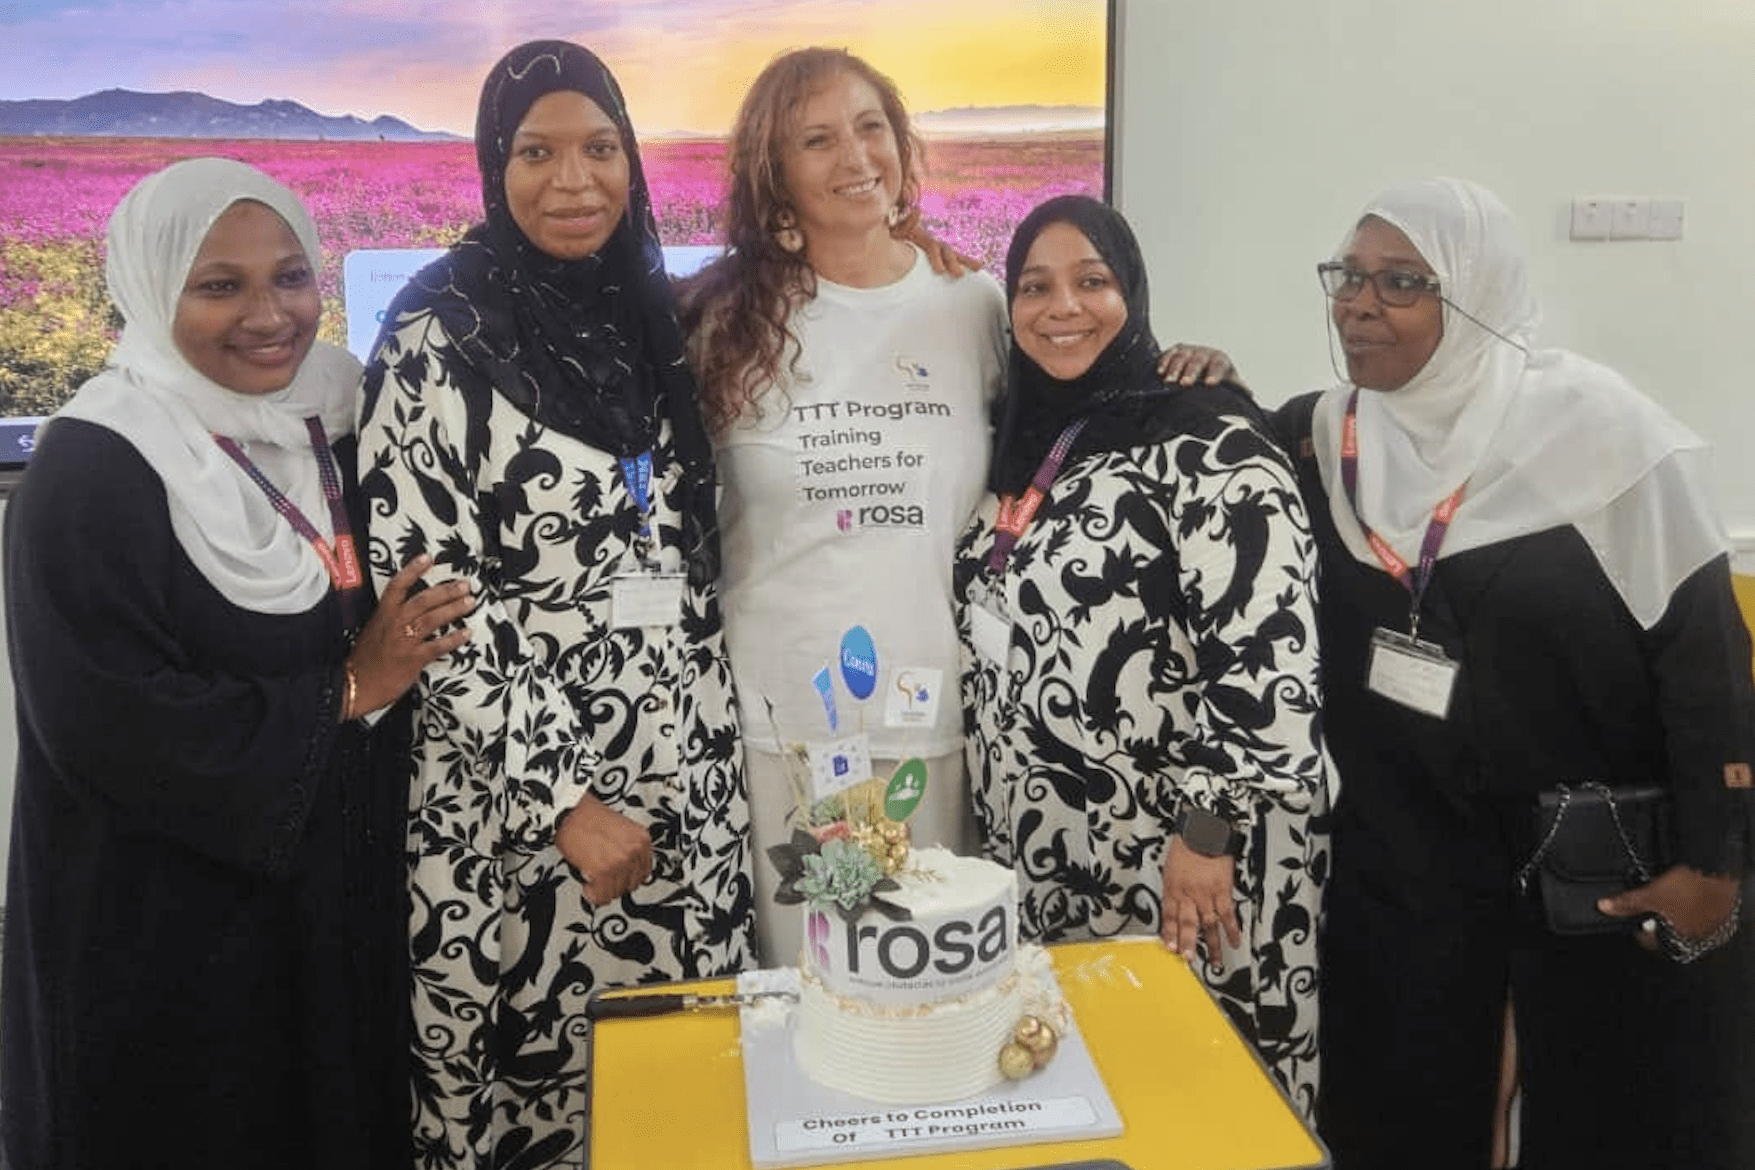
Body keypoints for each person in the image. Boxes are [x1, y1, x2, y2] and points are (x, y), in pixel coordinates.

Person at [679, 47, 1227, 966]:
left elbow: (1077, 413)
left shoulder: (971, 303)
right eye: (817, 140)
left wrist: (1189, 374)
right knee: (827, 983)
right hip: (789, 724)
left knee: (936, 983)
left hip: (943, 715)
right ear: (774, 172)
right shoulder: (718, 320)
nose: (856, 156)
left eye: (871, 127)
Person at [1278, 177, 1755, 1169]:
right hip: (1414, 866)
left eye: (1403, 282)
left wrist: (1715, 865)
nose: (1359, 305)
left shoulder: (1607, 438)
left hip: (1594, 865)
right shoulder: (1324, 435)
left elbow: (1708, 657)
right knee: (1416, 1104)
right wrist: (1188, 374)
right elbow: (1200, 444)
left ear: (1478, 296)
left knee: (1611, 1115)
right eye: (1349, 276)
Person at [0, 158, 471, 1170]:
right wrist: (350, 688)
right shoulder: (95, 467)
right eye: (220, 285)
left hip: (328, 902)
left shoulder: (335, 416)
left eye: (291, 277)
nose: (270, 315)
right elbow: (107, 729)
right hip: (168, 932)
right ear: (150, 287)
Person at [356, 41, 753, 1170]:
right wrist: (565, 801)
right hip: (520, 814)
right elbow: (431, 602)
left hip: (681, 785)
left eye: (600, 149)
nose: (573, 180)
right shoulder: (437, 334)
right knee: (535, 1090)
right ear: (496, 163)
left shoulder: (647, 313)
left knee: (680, 1092)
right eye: (537, 152)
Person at [951, 195, 1328, 1111]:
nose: (1062, 307)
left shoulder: (1212, 444)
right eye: (1034, 287)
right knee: (1087, 1096)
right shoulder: (1023, 436)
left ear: (1133, 292)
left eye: (1092, 281)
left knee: (1200, 1094)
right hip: (1053, 850)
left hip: (1186, 859)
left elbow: (1270, 664)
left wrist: (1207, 837)